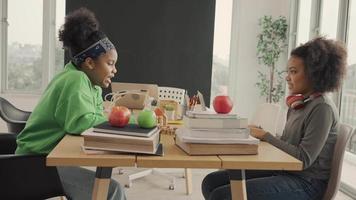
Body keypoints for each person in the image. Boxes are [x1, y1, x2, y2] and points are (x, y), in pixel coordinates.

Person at [201, 37, 347, 200]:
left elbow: (302, 159)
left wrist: (266, 136)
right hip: (286, 170)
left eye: (293, 71)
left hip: (307, 182)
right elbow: (287, 144)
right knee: (210, 182)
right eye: (288, 71)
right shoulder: (299, 104)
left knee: (223, 195)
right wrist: (263, 134)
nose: (287, 77)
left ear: (314, 74)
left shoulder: (322, 108)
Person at [15, 8, 126, 200]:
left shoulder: (85, 81)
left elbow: (92, 114)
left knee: (105, 187)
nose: (114, 70)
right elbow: (80, 123)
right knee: (111, 190)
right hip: (36, 163)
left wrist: (107, 115)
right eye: (110, 63)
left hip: (44, 157)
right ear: (90, 63)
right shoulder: (75, 80)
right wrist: (122, 119)